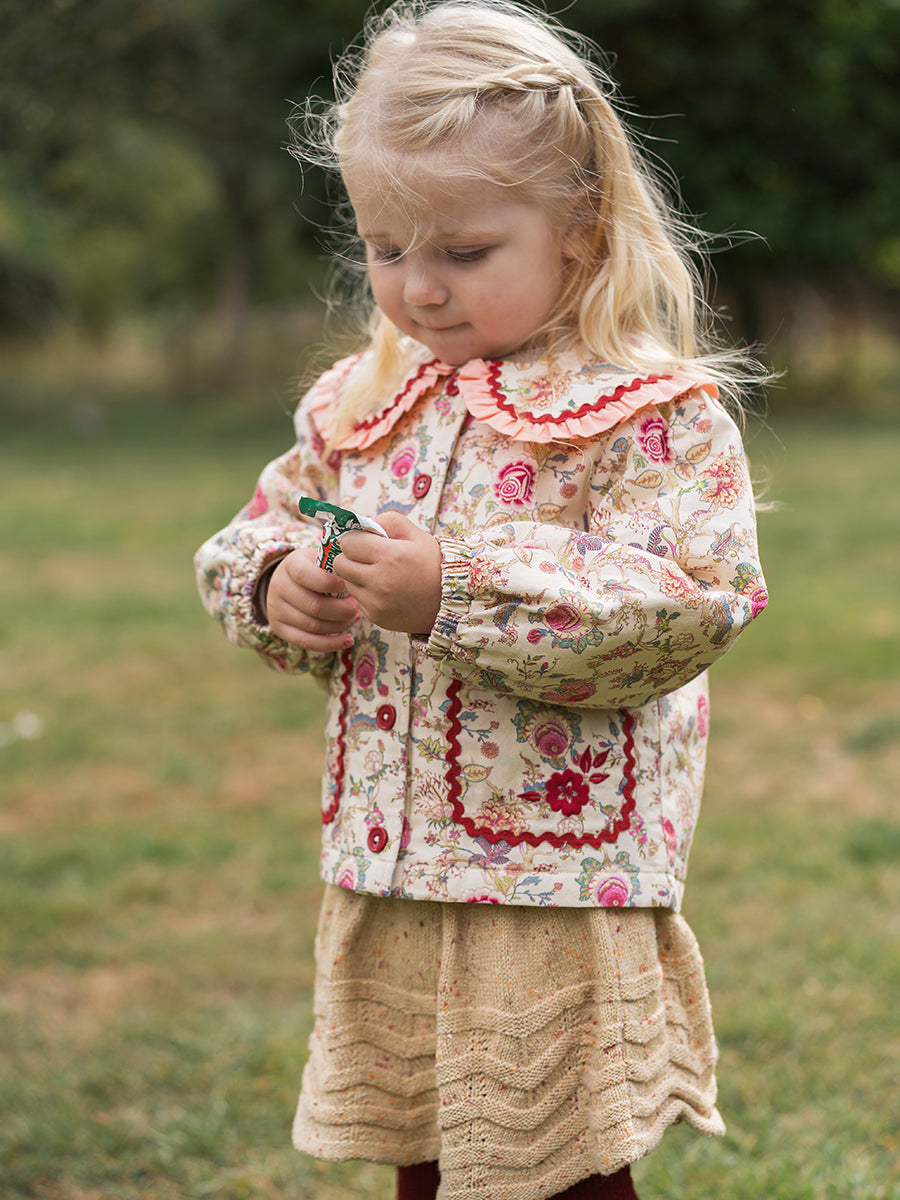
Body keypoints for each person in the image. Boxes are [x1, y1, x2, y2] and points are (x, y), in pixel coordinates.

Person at [194, 1, 769, 1196]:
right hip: (395, 863)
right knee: (426, 1146)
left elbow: (684, 606)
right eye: (385, 248)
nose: (420, 289)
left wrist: (453, 591)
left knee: (556, 1160)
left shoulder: (646, 415)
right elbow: (260, 527)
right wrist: (281, 584)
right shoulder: (366, 402)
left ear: (580, 229)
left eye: (463, 253)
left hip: (550, 877)